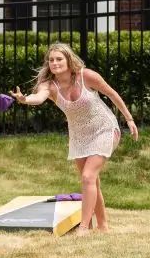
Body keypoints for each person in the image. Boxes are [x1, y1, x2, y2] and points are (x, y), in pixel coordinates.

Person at [10, 43, 138, 235]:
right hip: (79, 136)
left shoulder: (86, 76)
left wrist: (129, 119)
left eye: (59, 59)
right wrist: (24, 99)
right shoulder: (49, 86)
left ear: (68, 60)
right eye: (51, 60)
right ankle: (103, 226)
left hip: (104, 129)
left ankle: (84, 227)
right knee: (91, 181)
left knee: (88, 177)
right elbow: (39, 97)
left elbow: (112, 93)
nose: (55, 63)